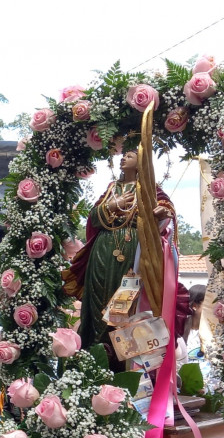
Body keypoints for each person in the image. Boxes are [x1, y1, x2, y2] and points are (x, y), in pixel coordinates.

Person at [63, 148, 178, 354]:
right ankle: (93, 351)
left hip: (133, 251)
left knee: (125, 302)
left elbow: (166, 209)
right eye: (123, 155)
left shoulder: (150, 188)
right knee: (97, 298)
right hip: (103, 249)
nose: (124, 158)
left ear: (141, 162)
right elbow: (93, 218)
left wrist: (162, 212)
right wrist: (112, 205)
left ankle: (120, 358)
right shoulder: (111, 188)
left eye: (130, 155)